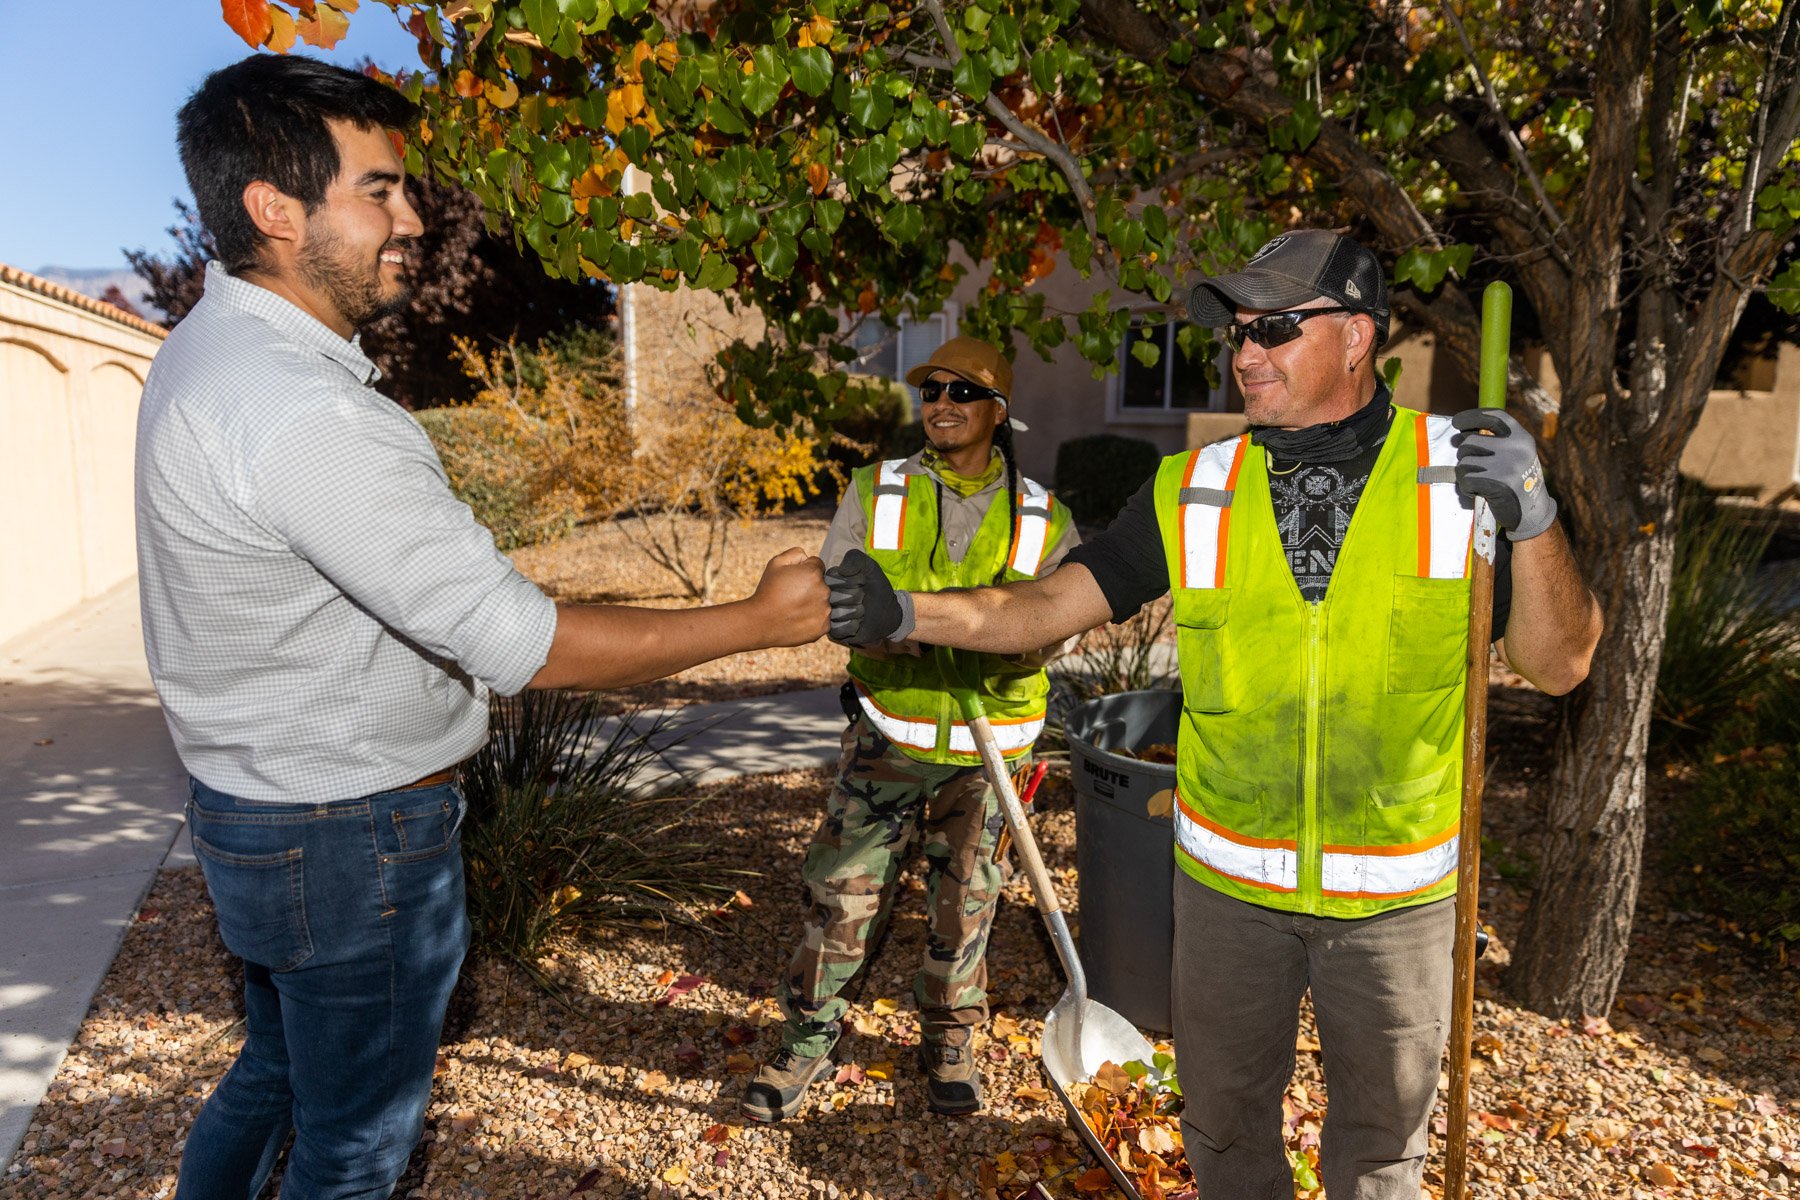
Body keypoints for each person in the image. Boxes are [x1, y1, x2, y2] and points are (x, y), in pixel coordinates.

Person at [136, 54, 827, 1200]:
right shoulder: (301, 410)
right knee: (355, 1147)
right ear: (273, 207)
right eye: (378, 190)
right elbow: (524, 643)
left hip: (258, 813)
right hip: (352, 840)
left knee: (274, 1070)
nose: (413, 216)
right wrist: (757, 619)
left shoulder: (208, 350)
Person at [823, 231, 1604, 1197]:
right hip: (1228, 892)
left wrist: (1534, 515)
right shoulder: (1194, 488)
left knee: (1384, 1149)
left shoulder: (1466, 474)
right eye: (1236, 331)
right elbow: (1042, 605)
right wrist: (906, 611)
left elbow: (1561, 663)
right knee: (1224, 1133)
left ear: (1358, 336)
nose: (1243, 354)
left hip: (1398, 902)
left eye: (1274, 327)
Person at [741, 337, 1080, 1123]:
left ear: (1000, 411)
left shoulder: (1045, 517)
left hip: (992, 750)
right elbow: (845, 612)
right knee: (843, 892)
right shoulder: (877, 490)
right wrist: (947, 627)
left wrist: (933, 624)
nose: (943, 404)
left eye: (964, 392)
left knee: (969, 900)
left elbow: (1049, 627)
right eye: (931, 390)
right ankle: (807, 1039)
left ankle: (950, 1039)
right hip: (889, 735)